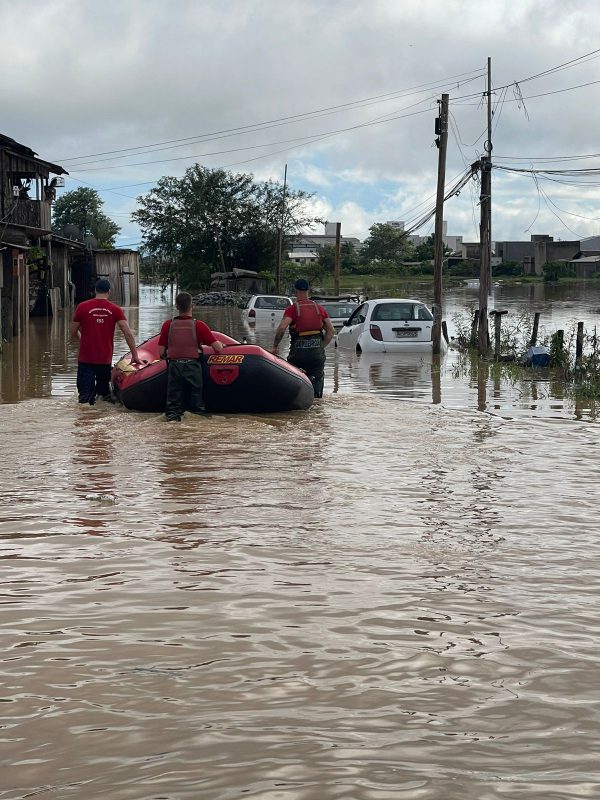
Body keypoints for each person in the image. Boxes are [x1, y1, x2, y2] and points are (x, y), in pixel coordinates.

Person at [71, 278, 141, 405]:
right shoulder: (115, 309)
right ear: (109, 292)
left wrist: (83, 340)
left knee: (84, 399)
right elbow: (127, 333)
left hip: (85, 360)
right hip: (104, 360)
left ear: (95, 291)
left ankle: (84, 421)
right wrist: (135, 355)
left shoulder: (82, 307)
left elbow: (73, 331)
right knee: (104, 396)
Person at [158, 291, 225, 422]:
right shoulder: (199, 325)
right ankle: (195, 426)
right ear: (192, 306)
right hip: (193, 367)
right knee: (196, 403)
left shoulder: (168, 325)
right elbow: (218, 348)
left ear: (176, 306)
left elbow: (161, 352)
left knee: (173, 405)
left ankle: (172, 421)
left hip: (175, 367)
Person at [271, 278, 335, 398]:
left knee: (294, 385)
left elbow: (281, 328)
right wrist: (320, 347)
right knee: (317, 392)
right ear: (308, 291)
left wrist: (275, 346)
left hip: (298, 356)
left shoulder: (292, 309)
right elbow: (331, 331)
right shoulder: (319, 309)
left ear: (295, 292)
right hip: (317, 356)